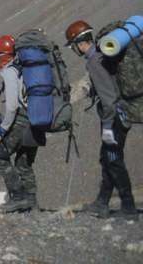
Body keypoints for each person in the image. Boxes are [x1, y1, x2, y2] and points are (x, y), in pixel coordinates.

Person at [65, 20, 138, 219]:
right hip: (122, 113)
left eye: (73, 46)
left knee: (113, 159)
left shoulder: (95, 62)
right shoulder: (102, 55)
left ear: (80, 44)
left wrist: (107, 127)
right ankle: (102, 202)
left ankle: (129, 208)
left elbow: (109, 99)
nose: (74, 50)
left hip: (114, 118)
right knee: (107, 157)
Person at [0, 34, 41, 212]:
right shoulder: (25, 70)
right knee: (23, 162)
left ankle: (18, 197)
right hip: (36, 119)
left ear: (2, 56)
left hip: (20, 121)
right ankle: (31, 202)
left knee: (1, 158)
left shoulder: (9, 72)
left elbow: (12, 106)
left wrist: (2, 128)